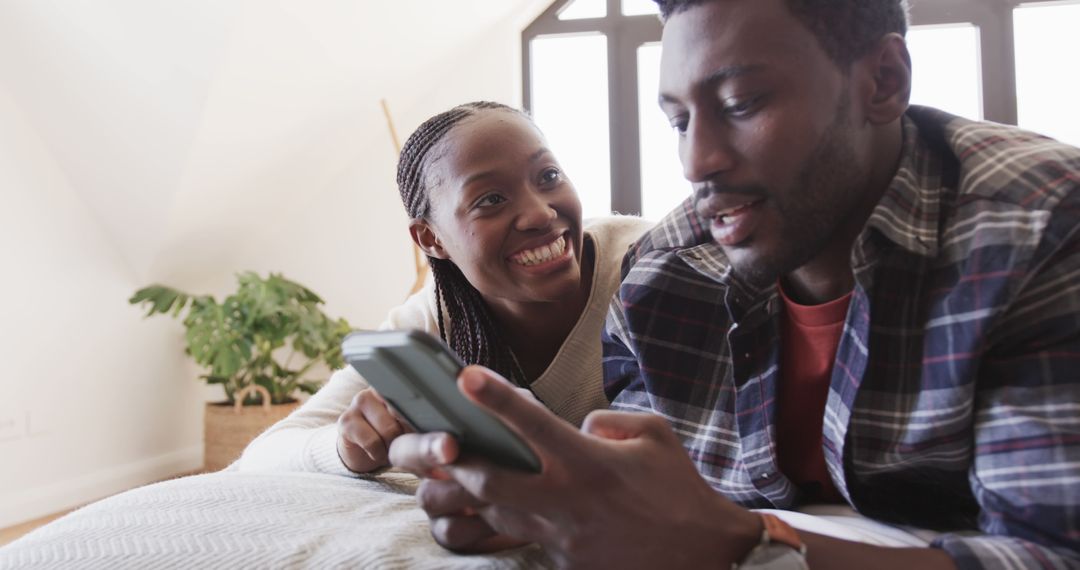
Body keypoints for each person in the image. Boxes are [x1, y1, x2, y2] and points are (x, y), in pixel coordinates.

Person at [388, 0, 1080, 568]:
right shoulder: (663, 278)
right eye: (679, 120)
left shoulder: (1040, 230)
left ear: (884, 80)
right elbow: (655, 499)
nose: (697, 160)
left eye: (742, 103)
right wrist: (556, 508)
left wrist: (745, 546)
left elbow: (1053, 552)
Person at [234, 101, 652, 475]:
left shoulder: (651, 269)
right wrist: (349, 446)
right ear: (431, 239)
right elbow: (263, 455)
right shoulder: (435, 319)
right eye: (490, 200)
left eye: (548, 175)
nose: (539, 214)